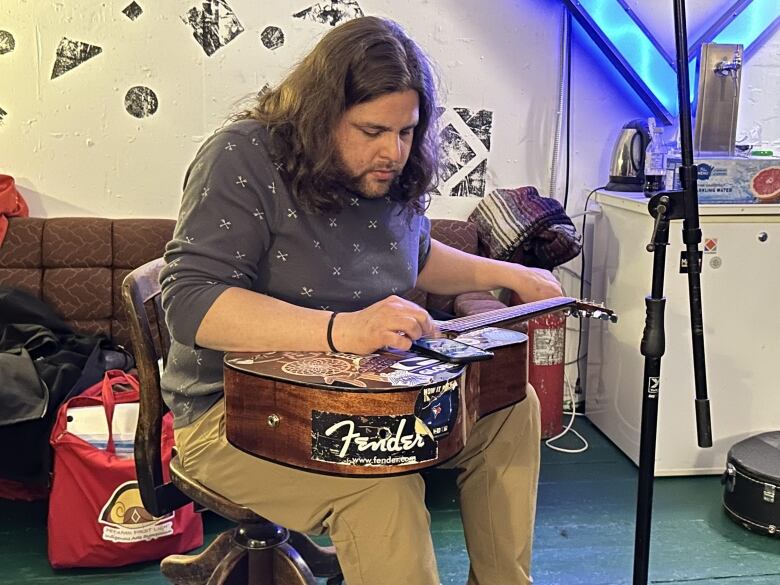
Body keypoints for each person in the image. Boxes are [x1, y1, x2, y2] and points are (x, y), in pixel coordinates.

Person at [160, 15, 561, 585]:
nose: (392, 152)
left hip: (359, 398)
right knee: (381, 487)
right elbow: (191, 300)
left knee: (509, 405)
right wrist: (341, 331)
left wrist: (513, 273)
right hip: (233, 413)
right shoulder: (242, 156)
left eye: (405, 133)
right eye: (371, 131)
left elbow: (416, 253)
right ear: (320, 116)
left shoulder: (387, 170)